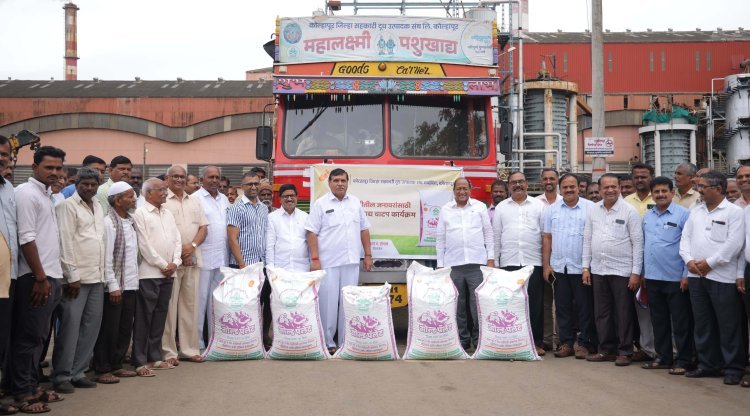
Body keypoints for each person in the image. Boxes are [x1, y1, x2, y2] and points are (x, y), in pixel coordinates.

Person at [9, 146, 66, 413]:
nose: (55, 173)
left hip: (51, 276)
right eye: (49, 168)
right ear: (34, 168)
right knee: (28, 337)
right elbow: (26, 238)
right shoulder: (26, 194)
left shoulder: (47, 196)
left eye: (58, 168)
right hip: (34, 277)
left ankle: (31, 386)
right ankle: (22, 393)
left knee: (40, 338)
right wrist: (40, 277)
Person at [680, 171, 746, 385]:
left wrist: (710, 263)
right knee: (703, 323)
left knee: (728, 325)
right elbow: (685, 238)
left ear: (717, 189)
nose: (698, 190)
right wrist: (689, 260)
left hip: (722, 276)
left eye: (702, 186)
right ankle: (708, 364)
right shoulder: (695, 211)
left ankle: (733, 368)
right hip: (696, 276)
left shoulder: (734, 212)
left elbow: (734, 244)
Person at [306, 168, 372, 354]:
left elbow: (364, 229)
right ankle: (328, 342)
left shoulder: (355, 203)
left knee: (348, 302)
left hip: (351, 262)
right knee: (328, 302)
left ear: (348, 182)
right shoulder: (320, 204)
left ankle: (345, 341)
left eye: (343, 180)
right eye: (336, 180)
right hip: (329, 262)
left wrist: (367, 255)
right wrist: (315, 259)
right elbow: (311, 232)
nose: (340, 183)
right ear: (329, 183)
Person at [51, 167, 106, 393]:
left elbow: (100, 240)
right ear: (77, 184)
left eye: (93, 184)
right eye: (85, 184)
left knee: (90, 327)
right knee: (70, 329)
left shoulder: (99, 206)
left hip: (97, 276)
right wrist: (71, 275)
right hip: (76, 279)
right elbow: (65, 241)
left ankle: (78, 372)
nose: (90, 188)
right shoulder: (67, 206)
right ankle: (62, 375)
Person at [583, 173, 644, 366]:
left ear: (619, 188)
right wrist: (586, 267)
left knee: (623, 312)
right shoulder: (593, 210)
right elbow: (587, 239)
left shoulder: (629, 211)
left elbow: (638, 243)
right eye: (605, 187)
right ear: (599, 190)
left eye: (613, 187)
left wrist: (635, 272)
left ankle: (625, 350)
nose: (610, 190)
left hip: (622, 271)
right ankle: (606, 349)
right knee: (602, 312)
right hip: (599, 269)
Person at [641, 176, 694, 375]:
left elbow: (689, 246)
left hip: (676, 278)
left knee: (681, 322)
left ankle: (683, 359)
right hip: (653, 278)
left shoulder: (683, 215)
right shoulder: (648, 216)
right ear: (652, 195)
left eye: (664, 191)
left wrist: (686, 275)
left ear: (672, 193)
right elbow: (645, 246)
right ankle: (663, 357)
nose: (660, 195)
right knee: (659, 320)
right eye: (656, 192)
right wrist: (644, 273)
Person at [436, 178, 494, 352]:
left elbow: (488, 233)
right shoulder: (445, 210)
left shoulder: (479, 207)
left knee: (477, 305)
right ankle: (462, 340)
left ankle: (478, 340)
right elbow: (440, 238)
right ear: (453, 191)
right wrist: (440, 265)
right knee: (457, 306)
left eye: (465, 188)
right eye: (458, 189)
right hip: (454, 265)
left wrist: (490, 258)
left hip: (477, 264)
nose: (461, 192)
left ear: (470, 189)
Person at [543, 173, 597, 359]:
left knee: (584, 307)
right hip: (560, 267)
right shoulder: (552, 209)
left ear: (579, 187)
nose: (569, 190)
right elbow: (547, 237)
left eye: (572, 186)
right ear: (560, 189)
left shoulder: (590, 208)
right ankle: (566, 343)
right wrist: (546, 265)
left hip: (582, 268)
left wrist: (587, 267)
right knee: (563, 307)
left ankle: (584, 343)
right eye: (565, 187)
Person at [132, 178, 182, 375]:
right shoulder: (140, 213)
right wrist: (163, 264)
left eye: (165, 190)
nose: (164, 193)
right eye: (160, 190)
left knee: (160, 316)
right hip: (149, 274)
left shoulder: (167, 213)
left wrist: (175, 263)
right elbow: (144, 245)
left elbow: (177, 239)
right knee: (145, 317)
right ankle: (140, 359)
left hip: (169, 273)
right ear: (148, 193)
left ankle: (155, 356)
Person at [493, 171, 546, 356]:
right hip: (509, 262)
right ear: (508, 186)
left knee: (535, 305)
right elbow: (496, 237)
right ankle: (511, 340)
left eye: (521, 182)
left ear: (527, 184)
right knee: (511, 304)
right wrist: (496, 264)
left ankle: (536, 342)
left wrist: (546, 264)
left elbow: (544, 236)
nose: (518, 185)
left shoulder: (539, 206)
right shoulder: (501, 208)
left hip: (533, 262)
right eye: (514, 182)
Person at [92, 182, 139, 384]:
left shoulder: (130, 221)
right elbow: (107, 258)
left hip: (130, 284)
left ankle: (117, 365)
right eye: (129, 196)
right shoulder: (108, 223)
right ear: (117, 200)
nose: (134, 199)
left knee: (124, 328)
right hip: (115, 286)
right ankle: (103, 368)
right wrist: (112, 285)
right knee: (109, 329)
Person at [161, 166, 208, 366]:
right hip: (171, 262)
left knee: (190, 306)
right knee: (169, 309)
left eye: (182, 177)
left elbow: (203, 228)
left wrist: (192, 247)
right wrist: (182, 252)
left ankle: (189, 349)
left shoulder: (194, 200)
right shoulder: (162, 200)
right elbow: (164, 232)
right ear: (167, 179)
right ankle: (169, 352)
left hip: (193, 259)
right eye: (176, 177)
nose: (179, 180)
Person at [227, 172, 270, 347]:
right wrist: (242, 265)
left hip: (263, 264)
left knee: (265, 302)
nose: (253, 187)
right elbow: (232, 238)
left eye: (256, 184)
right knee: (246, 305)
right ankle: (246, 341)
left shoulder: (263, 208)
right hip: (244, 265)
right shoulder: (236, 208)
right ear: (242, 187)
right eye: (249, 184)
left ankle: (262, 338)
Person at [624, 163, 657, 362]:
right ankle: (647, 348)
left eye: (643, 176)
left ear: (651, 177)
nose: (639, 180)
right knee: (642, 309)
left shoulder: (661, 197)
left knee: (663, 311)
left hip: (659, 263)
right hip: (635, 264)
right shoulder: (627, 201)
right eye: (636, 177)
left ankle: (669, 350)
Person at [195, 166, 230, 351]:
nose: (215, 180)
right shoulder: (196, 199)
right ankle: (198, 343)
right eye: (211, 177)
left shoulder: (224, 199)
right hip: (203, 258)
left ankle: (213, 341)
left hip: (220, 257)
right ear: (203, 179)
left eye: (217, 177)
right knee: (200, 302)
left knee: (215, 302)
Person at [0, 135, 18, 416]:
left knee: (2, 339)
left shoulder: (8, 189)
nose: (3, 157)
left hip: (8, 277)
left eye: (5, 154)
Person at [535, 168, 561, 350]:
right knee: (545, 303)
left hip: (562, 259)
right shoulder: (536, 203)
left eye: (552, 178)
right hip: (543, 260)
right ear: (541, 181)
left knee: (561, 303)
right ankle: (546, 340)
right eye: (545, 179)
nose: (548, 181)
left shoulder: (564, 201)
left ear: (557, 180)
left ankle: (561, 340)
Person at [266, 184, 310, 272]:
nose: (289, 199)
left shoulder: (305, 217)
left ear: (297, 197)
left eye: (292, 196)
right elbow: (270, 245)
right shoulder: (272, 217)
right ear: (280, 199)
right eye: (286, 196)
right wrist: (270, 269)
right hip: (280, 270)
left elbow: (310, 243)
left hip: (302, 269)